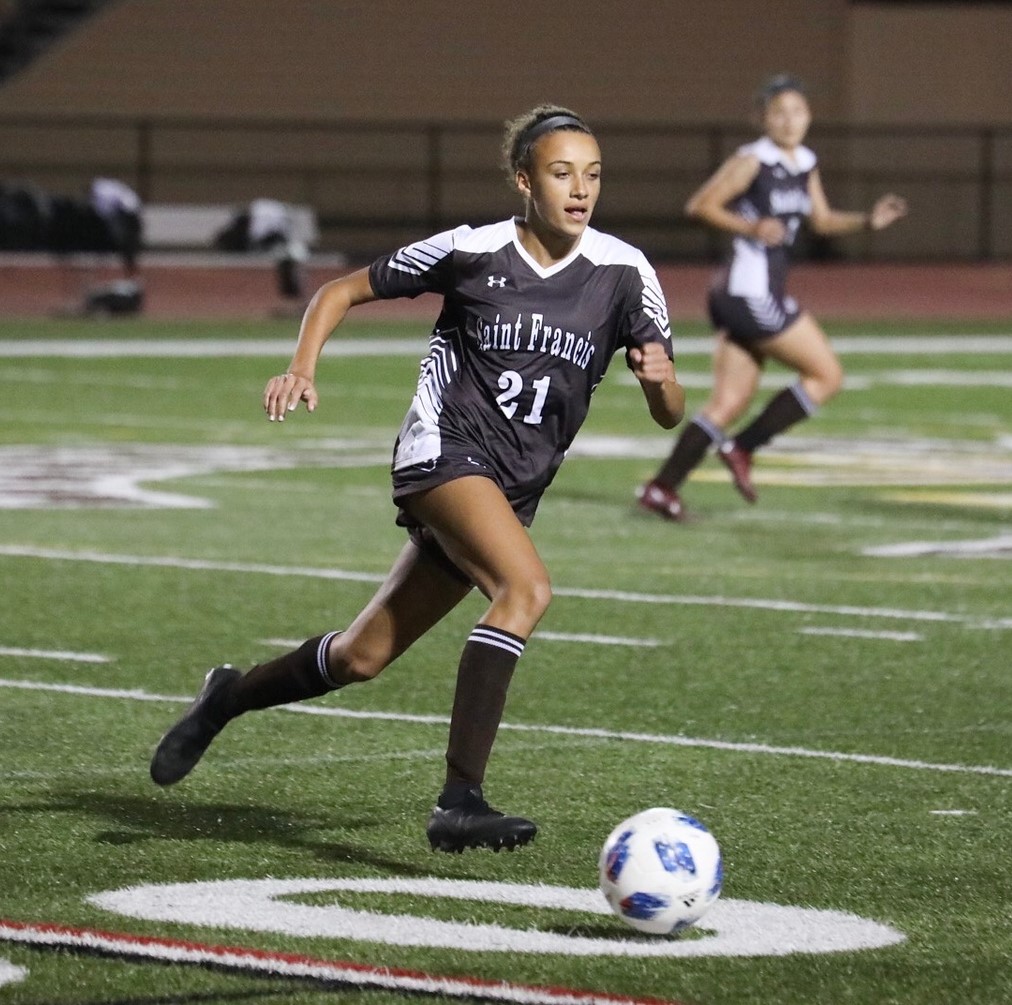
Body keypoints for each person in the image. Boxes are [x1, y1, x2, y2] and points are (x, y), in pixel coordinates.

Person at [150, 104, 685, 853]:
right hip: (441, 452)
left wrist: (660, 381)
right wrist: (302, 366)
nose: (580, 189)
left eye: (593, 175)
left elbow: (670, 413)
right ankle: (460, 799)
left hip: (510, 490)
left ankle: (226, 698)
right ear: (524, 179)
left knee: (360, 657)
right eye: (562, 173)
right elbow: (339, 290)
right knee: (526, 589)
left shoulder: (626, 272)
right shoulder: (471, 249)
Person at [637, 74, 907, 522]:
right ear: (762, 119)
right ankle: (743, 448)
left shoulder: (804, 162)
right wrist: (751, 227)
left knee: (728, 403)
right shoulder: (752, 160)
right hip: (750, 293)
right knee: (827, 376)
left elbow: (821, 221)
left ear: (809, 117)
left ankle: (662, 488)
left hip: (749, 295)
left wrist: (867, 221)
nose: (789, 120)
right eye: (779, 112)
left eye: (797, 111)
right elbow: (700, 205)